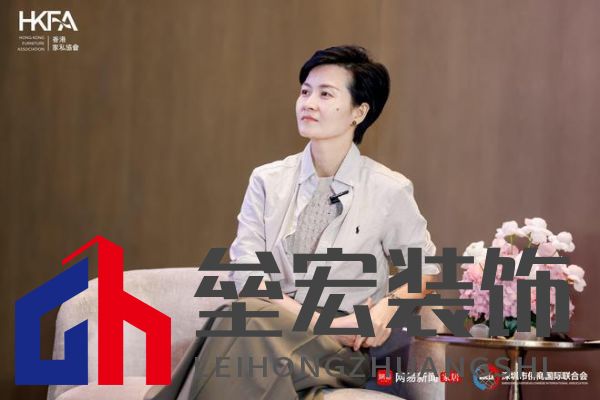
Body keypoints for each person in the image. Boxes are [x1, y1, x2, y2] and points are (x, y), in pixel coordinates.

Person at [149, 45, 439, 400]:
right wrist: (327, 323)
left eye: (325, 94)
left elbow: (424, 270)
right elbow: (248, 275)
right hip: (285, 323)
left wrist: (384, 310)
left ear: (359, 111)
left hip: (343, 349)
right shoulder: (267, 180)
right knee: (245, 316)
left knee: (239, 321)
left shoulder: (388, 189)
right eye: (305, 92)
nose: (308, 103)